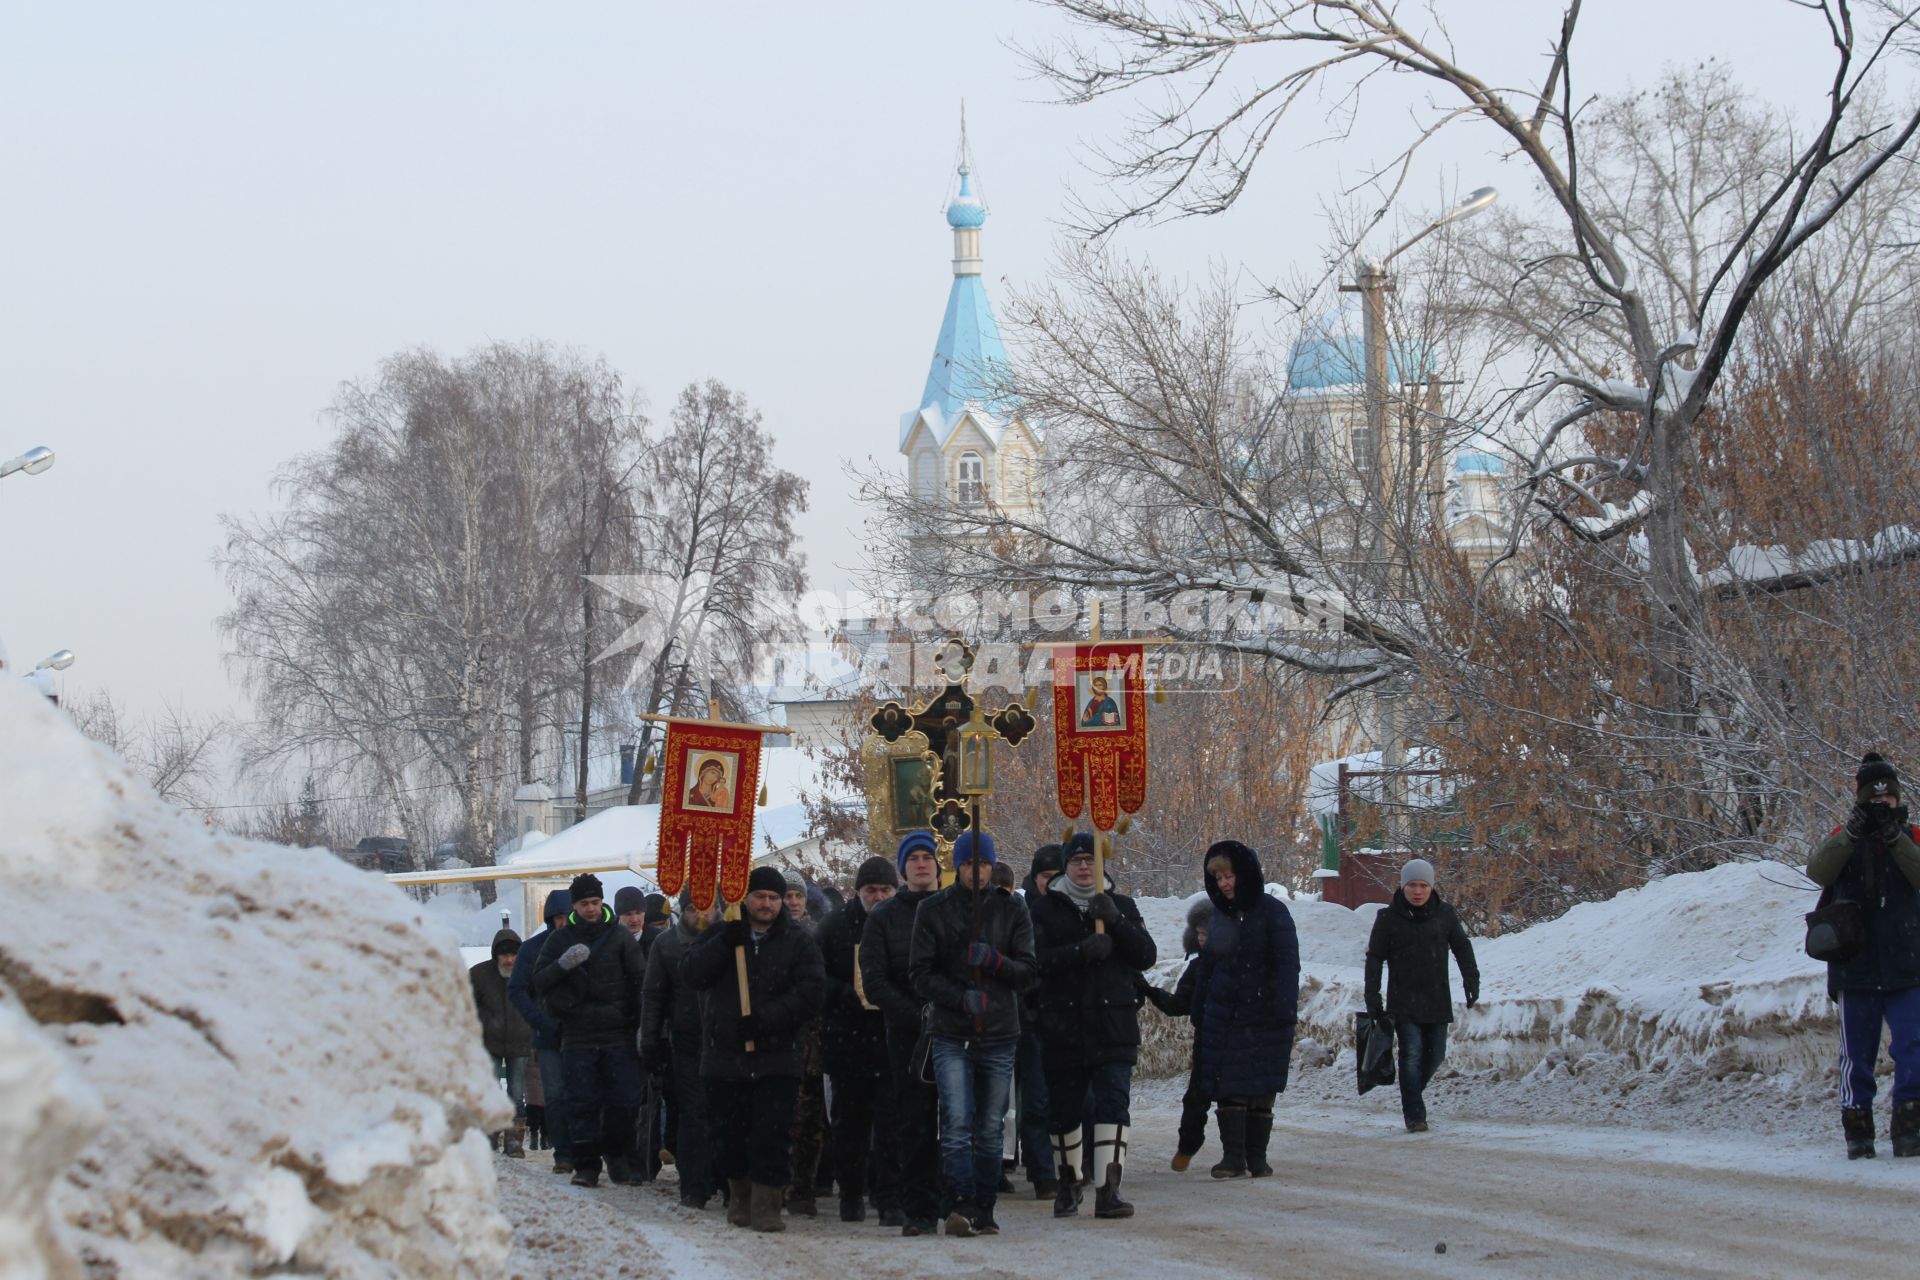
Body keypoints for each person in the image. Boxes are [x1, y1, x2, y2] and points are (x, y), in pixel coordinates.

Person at [910, 829, 1037, 1237]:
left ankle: (985, 1204)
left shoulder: (1011, 910)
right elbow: (921, 974)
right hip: (952, 1033)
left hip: (999, 1032)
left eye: (983, 864)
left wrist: (997, 962)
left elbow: (1027, 972)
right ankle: (959, 1201)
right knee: (957, 1121)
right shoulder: (934, 910)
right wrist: (959, 997)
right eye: (969, 864)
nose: (977, 872)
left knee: (990, 1126)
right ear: (958, 866)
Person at [685, 865, 826, 1232]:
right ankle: (740, 1199)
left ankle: (767, 1206)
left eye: (774, 898)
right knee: (729, 1134)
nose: (767, 904)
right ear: (745, 899)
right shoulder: (723, 934)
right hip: (725, 1056)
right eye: (760, 896)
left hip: (776, 1056)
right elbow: (692, 974)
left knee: (772, 1133)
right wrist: (722, 943)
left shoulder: (798, 941)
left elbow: (811, 993)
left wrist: (767, 1019)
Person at [1029, 833, 1156, 1219]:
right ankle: (1069, 1184)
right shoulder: (1044, 910)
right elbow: (1034, 961)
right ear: (1065, 867)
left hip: (1112, 1025)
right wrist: (1078, 952)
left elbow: (1145, 955)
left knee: (1113, 1106)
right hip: (1063, 1026)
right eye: (1077, 860)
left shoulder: (1121, 906)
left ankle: (1108, 1189)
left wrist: (1116, 922)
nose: (1085, 866)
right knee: (1065, 1110)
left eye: (1091, 860)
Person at [1807, 751, 1920, 1159]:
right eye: (1873, 800)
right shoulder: (1844, 837)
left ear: (1898, 799)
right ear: (1859, 802)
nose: (1880, 806)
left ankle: (1910, 1127)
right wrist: (1851, 835)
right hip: (1854, 966)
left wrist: (1896, 839)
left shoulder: (1913, 836)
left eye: (1887, 799)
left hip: (1908, 965)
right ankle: (1858, 1131)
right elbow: (1818, 871)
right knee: (1857, 1055)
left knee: (1913, 1047)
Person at [530, 874, 648, 1188]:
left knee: (623, 1101)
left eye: (595, 902)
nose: (591, 909)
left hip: (617, 1034)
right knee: (582, 1102)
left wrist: (639, 1024)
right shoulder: (560, 940)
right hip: (577, 1034)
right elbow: (538, 981)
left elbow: (640, 981)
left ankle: (619, 1158)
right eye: (585, 903)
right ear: (575, 906)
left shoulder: (619, 937)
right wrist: (563, 965)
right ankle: (586, 1166)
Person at [1191, 840, 1298, 1180]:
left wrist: (1284, 1008)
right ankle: (1232, 1157)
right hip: (1225, 1016)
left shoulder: (1273, 912)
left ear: (1245, 874)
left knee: (1261, 1090)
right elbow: (1206, 966)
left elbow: (1287, 965)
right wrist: (1199, 1007)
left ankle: (1257, 1158)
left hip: (1266, 1015)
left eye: (1229, 875)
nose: (1224, 883)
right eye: (1218, 877)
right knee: (1229, 1088)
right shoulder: (1218, 916)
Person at [860, 831, 946, 1237]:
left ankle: (958, 1198)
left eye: (927, 856)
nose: (921, 863)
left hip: (954, 1029)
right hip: (908, 1033)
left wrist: (948, 1010)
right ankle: (918, 1207)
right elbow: (875, 982)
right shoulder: (883, 917)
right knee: (914, 1121)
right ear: (903, 867)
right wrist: (917, 1014)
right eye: (913, 857)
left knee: (959, 1119)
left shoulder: (956, 908)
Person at [1364, 857, 1480, 1134]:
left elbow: (1462, 947)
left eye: (1423, 885)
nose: (1418, 891)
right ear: (1403, 887)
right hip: (1403, 1001)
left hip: (1437, 998)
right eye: (1412, 885)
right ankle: (1415, 1113)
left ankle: (1411, 1090)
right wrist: (1372, 995)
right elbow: (1375, 958)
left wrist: (1471, 978)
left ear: (1431, 887)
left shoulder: (1445, 915)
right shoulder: (1388, 918)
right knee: (1412, 1053)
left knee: (1436, 1054)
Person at [817, 855, 902, 1222]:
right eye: (871, 890)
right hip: (847, 1042)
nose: (878, 896)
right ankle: (851, 1193)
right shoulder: (834, 926)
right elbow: (815, 977)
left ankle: (888, 1197)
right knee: (849, 1125)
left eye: (885, 889)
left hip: (892, 1039)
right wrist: (843, 992)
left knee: (892, 1125)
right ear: (859, 892)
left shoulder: (904, 921)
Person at [642, 890, 717, 1207]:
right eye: (691, 909)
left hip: (725, 1037)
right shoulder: (667, 944)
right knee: (692, 1112)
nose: (700, 915)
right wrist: (649, 1038)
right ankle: (695, 1184)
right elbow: (653, 995)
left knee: (725, 1112)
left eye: (707, 908)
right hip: (686, 1039)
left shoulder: (728, 941)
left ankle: (726, 1180)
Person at [1145, 898, 1217, 1171]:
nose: (1201, 940)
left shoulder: (1235, 965)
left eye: (1207, 934)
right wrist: (1149, 990)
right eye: (1198, 934)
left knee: (1235, 1100)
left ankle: (1240, 1154)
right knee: (1196, 1098)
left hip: (1236, 1041)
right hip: (1206, 1040)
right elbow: (1179, 1005)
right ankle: (1187, 1147)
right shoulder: (1197, 968)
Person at [507, 889, 574, 1174]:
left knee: (587, 1093)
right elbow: (517, 990)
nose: (563, 923)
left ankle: (589, 1151)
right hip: (549, 1035)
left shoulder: (589, 943)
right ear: (550, 919)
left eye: (567, 917)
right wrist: (539, 1020)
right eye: (558, 917)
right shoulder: (533, 949)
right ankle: (564, 1153)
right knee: (556, 1095)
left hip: (586, 1031)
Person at [1014, 844, 1065, 1198]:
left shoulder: (1074, 911)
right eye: (1046, 877)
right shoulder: (1021, 913)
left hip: (1069, 1015)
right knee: (1035, 1099)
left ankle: (1073, 1163)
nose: (1051, 883)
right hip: (1032, 1016)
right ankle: (1042, 1170)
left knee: (1074, 1098)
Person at [779, 869, 830, 1216]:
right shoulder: (770, 937)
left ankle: (804, 1188)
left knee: (811, 1117)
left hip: (812, 1039)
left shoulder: (817, 935)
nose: (794, 902)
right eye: (788, 896)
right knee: (780, 1115)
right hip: (778, 1036)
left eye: (798, 896)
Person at [470, 928, 532, 1158]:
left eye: (513, 954)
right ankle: (490, 1135)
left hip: (520, 1042)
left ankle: (514, 1141)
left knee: (516, 1094)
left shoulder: (528, 973)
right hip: (489, 1043)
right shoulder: (479, 975)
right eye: (504, 955)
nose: (509, 960)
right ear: (495, 955)